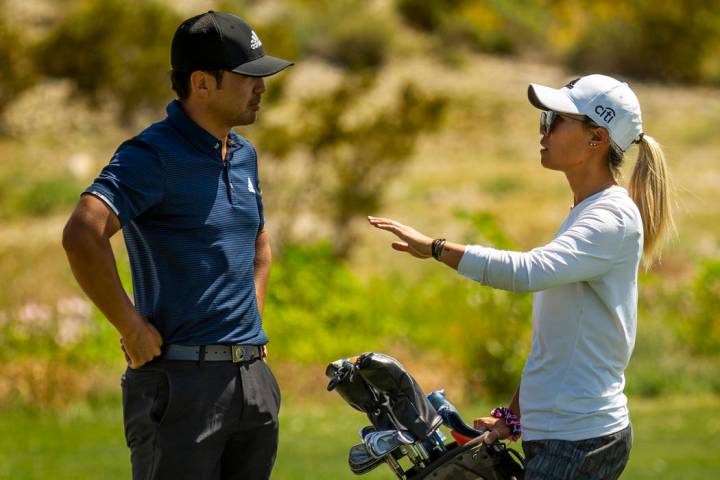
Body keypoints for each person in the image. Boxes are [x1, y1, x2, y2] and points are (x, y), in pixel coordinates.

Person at [368, 74, 674, 480]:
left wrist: (436, 249)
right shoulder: (587, 211)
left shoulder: (610, 218)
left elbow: (527, 272)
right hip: (561, 435)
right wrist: (512, 416)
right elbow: (558, 341)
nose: (542, 130)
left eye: (555, 120)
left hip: (579, 441)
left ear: (596, 139)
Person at [62, 11, 293, 480]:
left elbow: (258, 245)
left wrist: (250, 326)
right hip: (180, 386)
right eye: (248, 77)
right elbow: (83, 233)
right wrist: (131, 328)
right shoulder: (151, 155)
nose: (262, 87)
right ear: (202, 84)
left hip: (251, 382)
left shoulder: (243, 153)